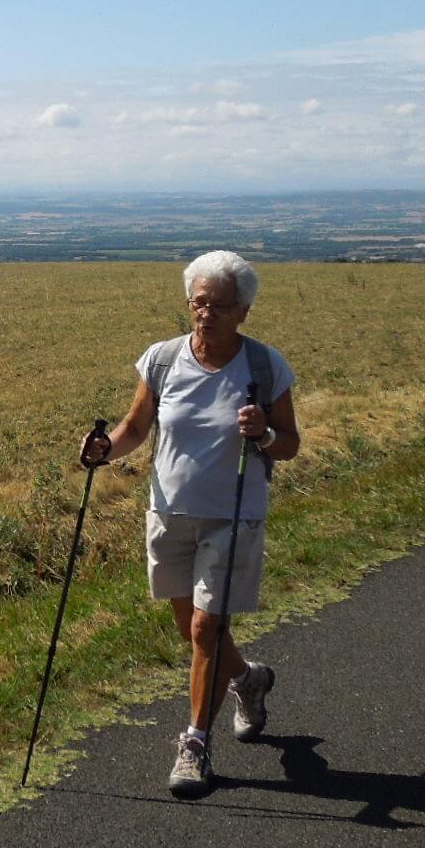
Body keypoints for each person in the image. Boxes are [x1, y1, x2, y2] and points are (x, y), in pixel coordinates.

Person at [83, 250, 300, 797]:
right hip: (169, 513)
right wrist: (105, 450)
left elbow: (290, 443)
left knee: (205, 629)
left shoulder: (265, 367)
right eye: (199, 304)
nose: (206, 315)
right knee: (192, 629)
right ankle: (248, 680)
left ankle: (195, 746)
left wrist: (265, 437)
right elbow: (136, 426)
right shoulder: (161, 360)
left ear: (244, 310)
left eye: (220, 306)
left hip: (233, 516)